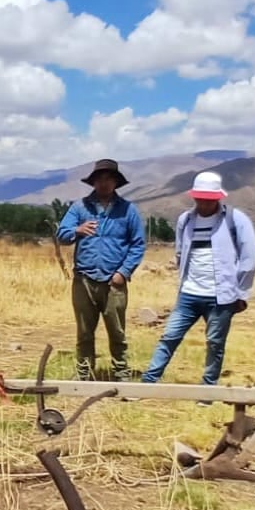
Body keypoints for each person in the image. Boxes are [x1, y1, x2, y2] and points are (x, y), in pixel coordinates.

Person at [139, 171, 255, 393]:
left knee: (215, 344)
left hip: (221, 296)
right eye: (200, 197)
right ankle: (148, 383)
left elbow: (250, 258)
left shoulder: (235, 219)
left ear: (218, 197)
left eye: (209, 198)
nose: (204, 202)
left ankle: (207, 390)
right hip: (189, 293)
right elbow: (180, 252)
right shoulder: (186, 220)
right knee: (169, 337)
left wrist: (241, 293)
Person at [56, 159, 147, 381]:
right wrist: (77, 230)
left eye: (109, 179)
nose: (104, 183)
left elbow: (138, 244)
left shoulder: (128, 210)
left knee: (117, 332)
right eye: (100, 179)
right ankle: (85, 374)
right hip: (84, 280)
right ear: (93, 182)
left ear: (116, 182)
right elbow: (62, 235)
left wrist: (123, 272)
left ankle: (121, 373)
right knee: (84, 332)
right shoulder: (80, 208)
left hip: (113, 281)